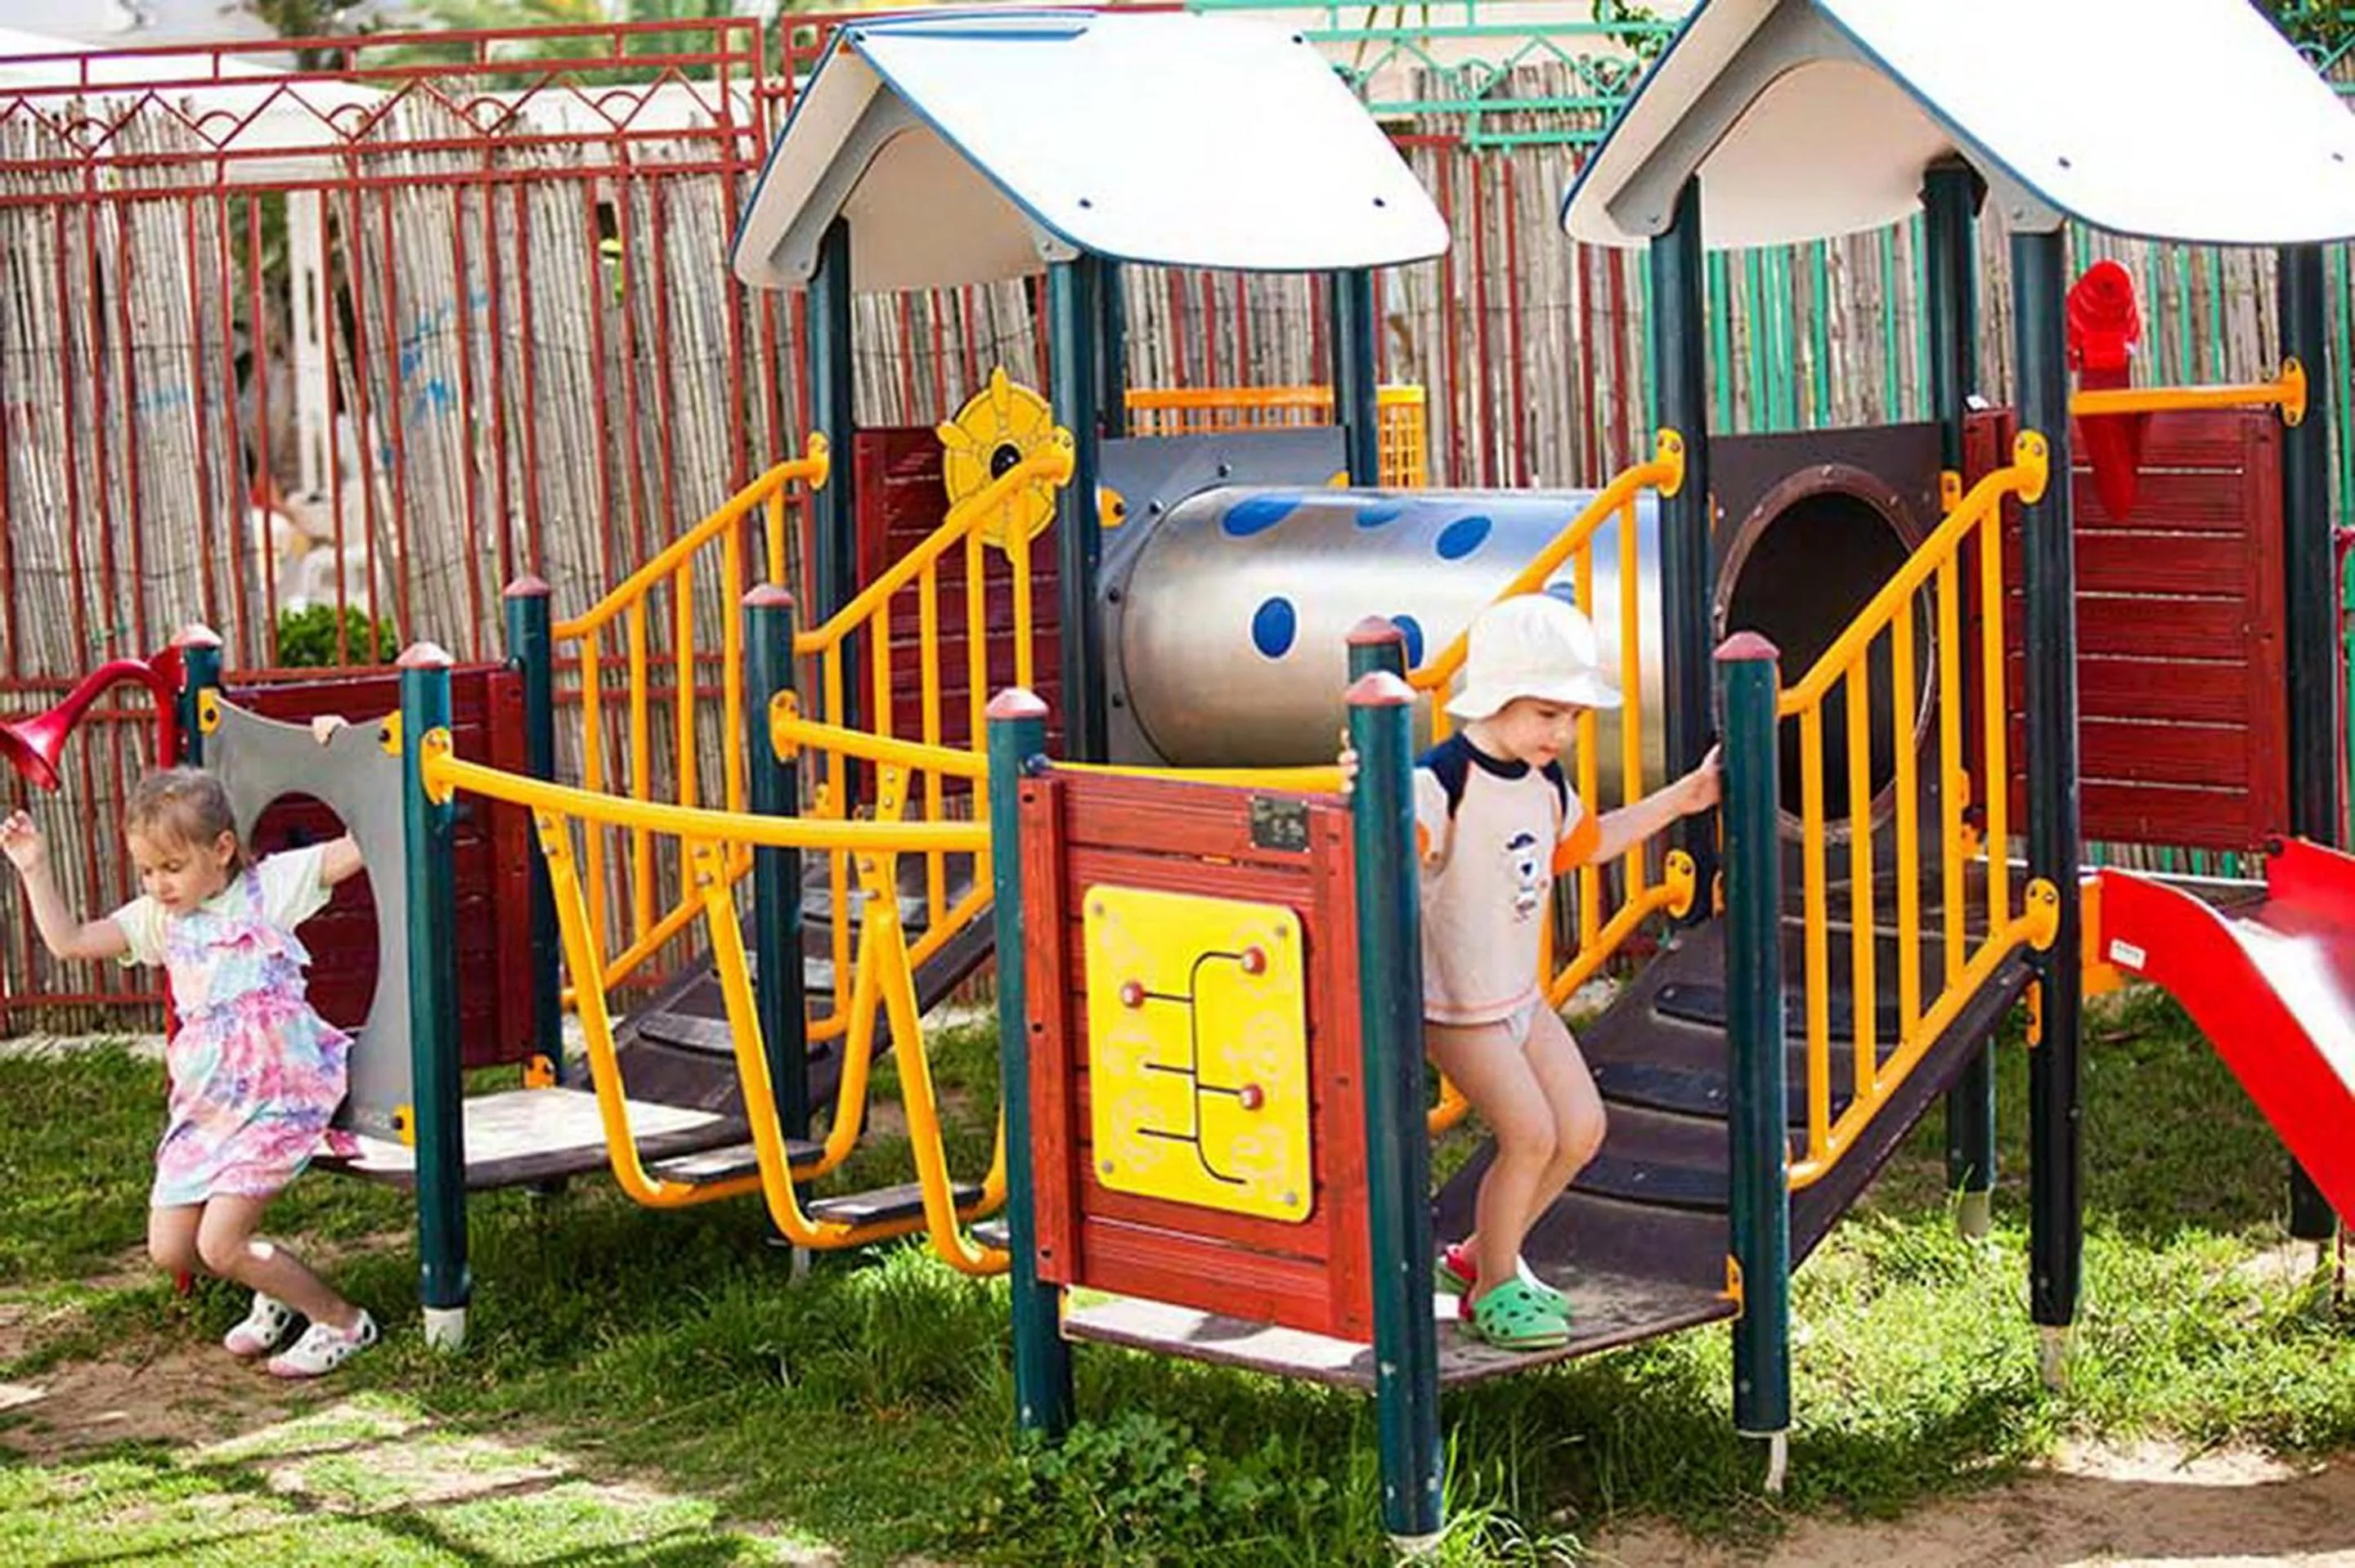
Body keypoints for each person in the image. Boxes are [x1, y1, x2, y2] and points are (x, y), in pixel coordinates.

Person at [1347, 593, 1718, 1351]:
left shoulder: (1544, 784)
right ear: (1497, 700)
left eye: (1574, 717)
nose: (1564, 732)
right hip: (1456, 1005)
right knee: (1529, 1134)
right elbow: (1377, 845)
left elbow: (1589, 843)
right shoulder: (1440, 781)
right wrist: (1365, 790)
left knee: (1581, 1130)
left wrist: (1684, 797)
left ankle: (1485, 1257)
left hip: (1518, 997)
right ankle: (1494, 1289)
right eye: (1548, 713)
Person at [2, 727, 376, 1378]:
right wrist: (34, 867)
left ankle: (342, 1321)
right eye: (147, 869)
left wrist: (339, 751)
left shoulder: (273, 890)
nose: (159, 883)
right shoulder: (158, 920)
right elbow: (68, 941)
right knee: (172, 1248)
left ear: (223, 849)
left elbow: (366, 842)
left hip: (277, 1096)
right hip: (207, 1107)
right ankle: (274, 1285)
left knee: (220, 1241)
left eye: (172, 867)